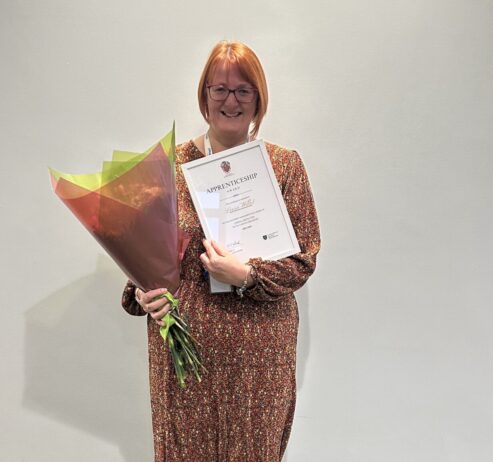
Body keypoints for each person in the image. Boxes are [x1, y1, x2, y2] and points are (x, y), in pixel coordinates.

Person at [121, 40, 321, 462]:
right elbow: (140, 257)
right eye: (220, 89)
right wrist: (143, 291)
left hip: (259, 353)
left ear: (258, 99)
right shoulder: (170, 167)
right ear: (204, 95)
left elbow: (304, 259)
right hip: (187, 346)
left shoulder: (285, 167)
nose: (231, 101)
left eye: (243, 91)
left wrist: (247, 276)